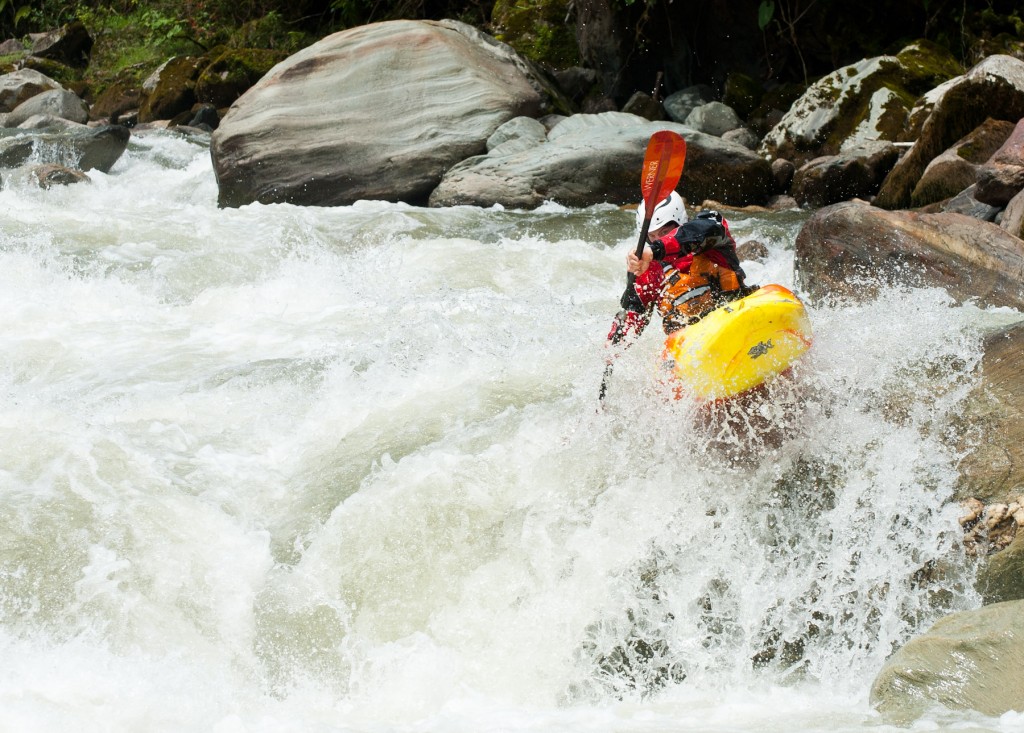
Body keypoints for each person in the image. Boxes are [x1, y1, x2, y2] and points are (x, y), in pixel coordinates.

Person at [608, 191, 752, 343]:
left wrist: (656, 249)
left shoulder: (709, 229)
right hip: (691, 345)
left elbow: (702, 230)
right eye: (652, 236)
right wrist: (612, 351)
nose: (659, 239)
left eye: (664, 231)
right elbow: (632, 318)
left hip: (735, 319)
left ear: (680, 222)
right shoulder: (649, 270)